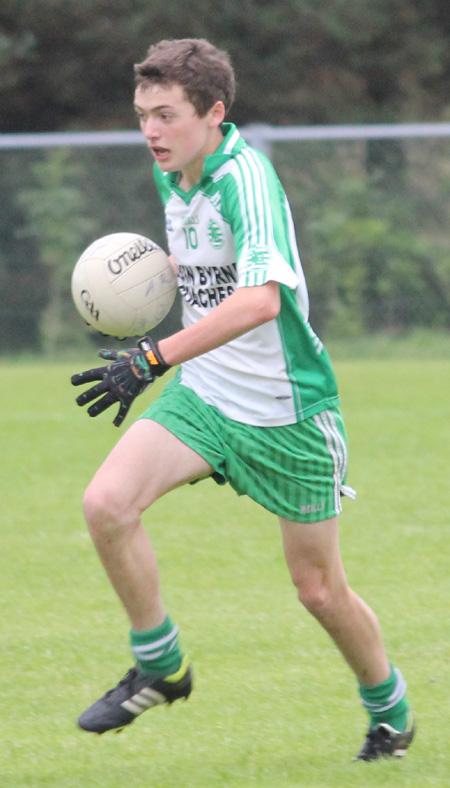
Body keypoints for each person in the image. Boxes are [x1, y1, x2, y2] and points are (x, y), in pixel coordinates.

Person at [71, 38, 414, 761]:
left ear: (214, 112)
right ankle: (161, 666)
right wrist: (140, 278)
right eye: (142, 116)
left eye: (166, 115)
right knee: (107, 505)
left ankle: (391, 712)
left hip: (288, 412)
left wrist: (152, 356)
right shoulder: (174, 173)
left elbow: (260, 301)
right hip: (207, 396)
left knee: (318, 591)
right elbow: (200, 267)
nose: (151, 132)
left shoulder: (244, 179)